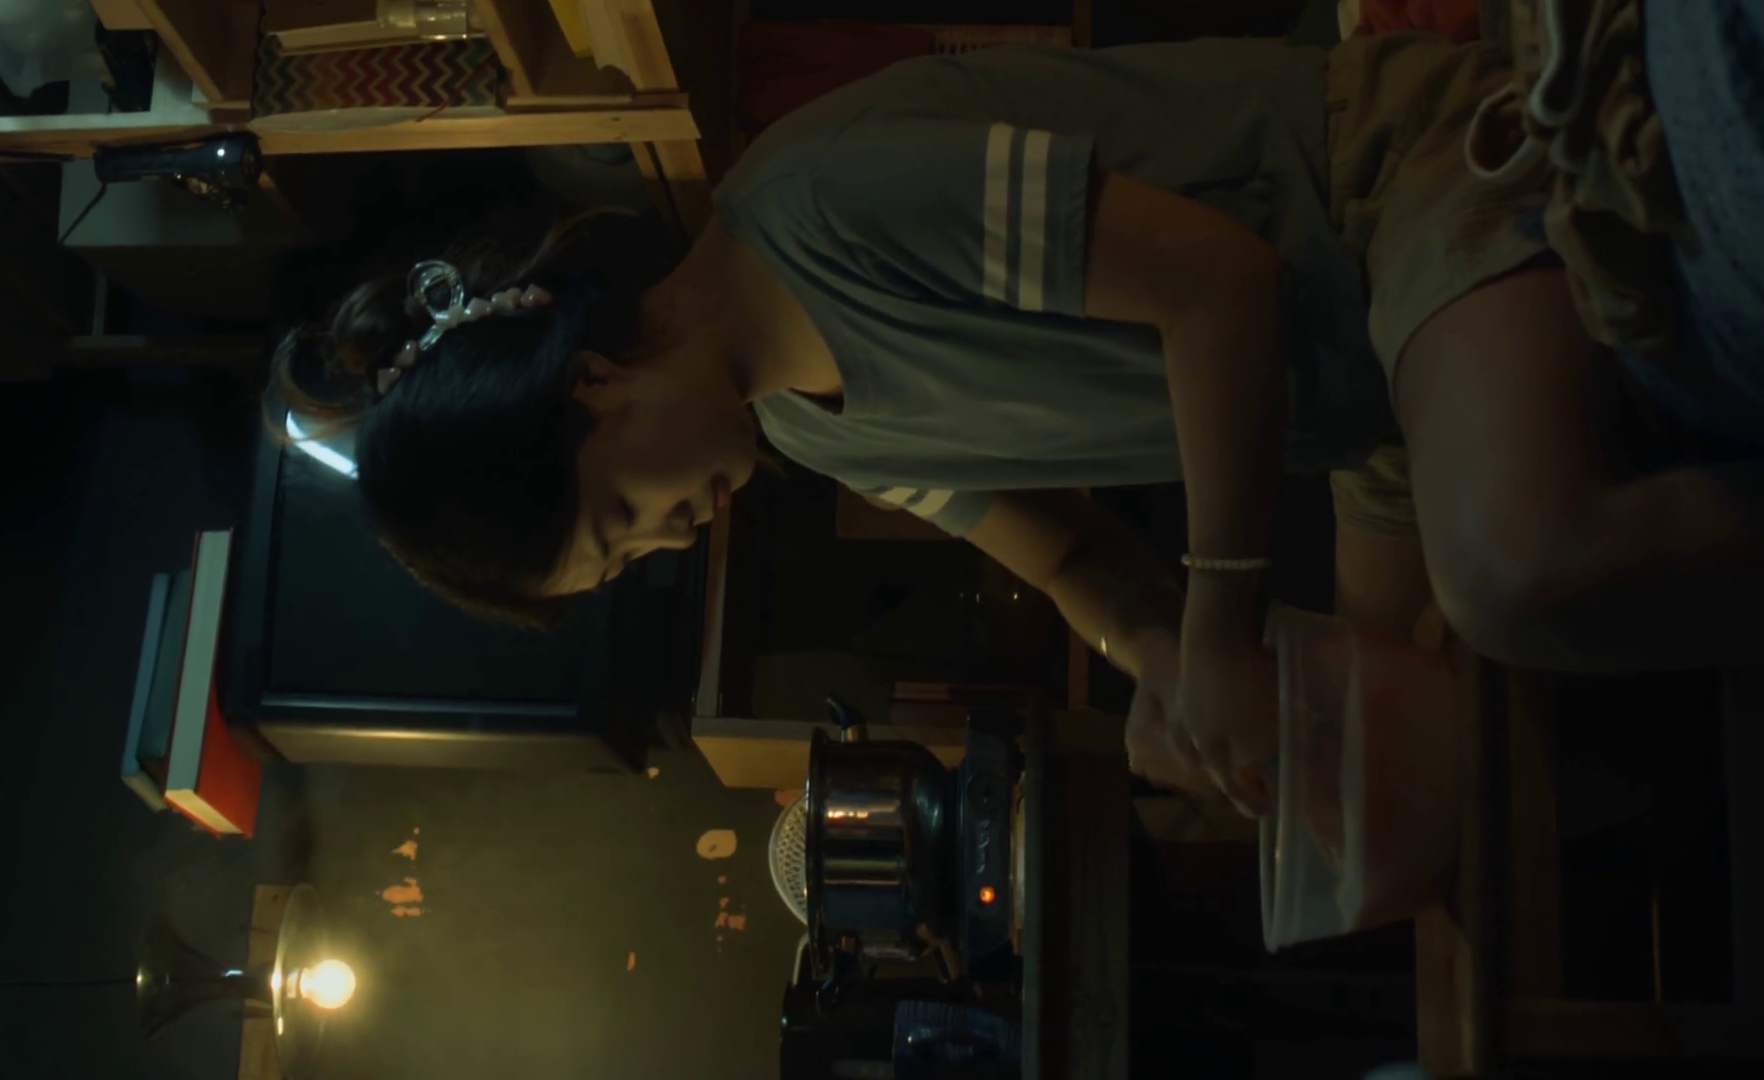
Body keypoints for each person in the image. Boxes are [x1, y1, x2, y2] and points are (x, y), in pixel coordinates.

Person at [273, 31, 1764, 816]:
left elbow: (1222, 288)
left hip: (1380, 195)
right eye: (627, 560)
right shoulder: (815, 436)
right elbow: (1079, 567)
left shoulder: (819, 210)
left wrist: (1223, 621)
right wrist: (1169, 669)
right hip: (1362, 401)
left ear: (588, 385)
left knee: (1515, 572)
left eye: (619, 520)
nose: (666, 542)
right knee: (1379, 737)